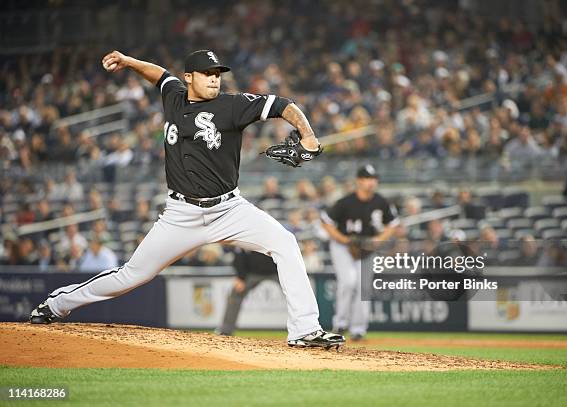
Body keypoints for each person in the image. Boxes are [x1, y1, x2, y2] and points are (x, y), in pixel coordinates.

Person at [30, 49, 344, 349]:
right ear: (189, 77)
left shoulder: (233, 105)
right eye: (207, 73)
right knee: (131, 275)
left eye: (218, 73)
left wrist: (309, 135)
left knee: (285, 243)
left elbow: (281, 104)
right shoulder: (174, 96)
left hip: (229, 209)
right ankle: (56, 305)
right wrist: (128, 61)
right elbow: (159, 74)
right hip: (180, 214)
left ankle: (305, 329)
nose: (214, 79)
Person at [321, 165, 399, 341]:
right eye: (367, 178)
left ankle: (358, 329)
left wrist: (379, 240)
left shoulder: (381, 202)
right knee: (348, 282)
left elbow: (393, 224)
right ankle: (340, 323)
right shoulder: (346, 201)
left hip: (367, 248)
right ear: (359, 181)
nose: (371, 182)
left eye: (373, 179)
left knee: (363, 287)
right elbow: (325, 221)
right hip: (343, 247)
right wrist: (344, 240)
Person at [216, 249, 279, 336]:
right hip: (252, 273)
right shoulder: (249, 236)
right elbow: (239, 254)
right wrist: (240, 277)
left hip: (278, 272)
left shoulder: (276, 236)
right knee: (235, 294)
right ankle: (225, 331)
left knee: (295, 295)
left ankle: (302, 331)